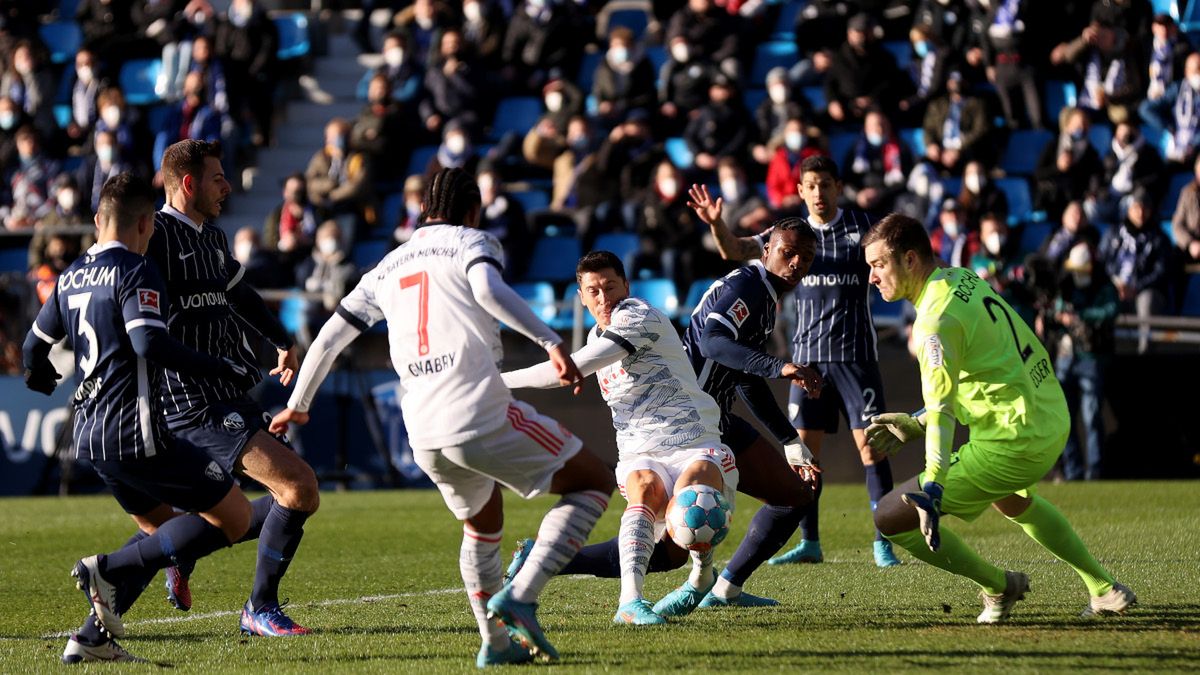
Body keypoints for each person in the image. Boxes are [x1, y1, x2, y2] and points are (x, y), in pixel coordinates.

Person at [269, 167, 614, 666]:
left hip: (423, 429)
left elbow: (327, 337)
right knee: (593, 482)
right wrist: (551, 340)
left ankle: (495, 644)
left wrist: (299, 405)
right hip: (476, 408)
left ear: (421, 210)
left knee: (483, 523)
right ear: (472, 210)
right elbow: (490, 293)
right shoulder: (471, 241)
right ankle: (522, 595)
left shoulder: (385, 266)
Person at [504, 211, 825, 614]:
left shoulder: (758, 295)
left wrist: (789, 440)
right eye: (788, 252)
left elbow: (742, 372)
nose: (796, 263)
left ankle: (718, 587)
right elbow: (712, 342)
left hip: (707, 417)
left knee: (791, 496)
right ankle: (699, 583)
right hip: (695, 421)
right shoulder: (749, 288)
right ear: (767, 250)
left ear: (626, 285)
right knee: (675, 544)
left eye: (806, 257)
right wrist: (778, 367)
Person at [22, 173, 259, 663]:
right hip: (136, 429)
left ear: (96, 221)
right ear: (147, 223)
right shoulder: (135, 269)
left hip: (89, 435)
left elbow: (33, 352)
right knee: (234, 518)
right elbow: (148, 341)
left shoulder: (71, 276)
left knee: (161, 533)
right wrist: (223, 368)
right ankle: (106, 567)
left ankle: (91, 638)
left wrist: (42, 382)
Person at [862, 212, 1136, 623]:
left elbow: (941, 410)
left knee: (888, 516)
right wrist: (915, 424)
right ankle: (1104, 588)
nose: (872, 277)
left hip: (1014, 440)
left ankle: (997, 585)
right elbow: (987, 371)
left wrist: (933, 484)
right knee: (1011, 500)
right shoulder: (963, 279)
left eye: (878, 264)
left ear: (911, 260)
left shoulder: (934, 323)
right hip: (1047, 413)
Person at [503, 251, 744, 625]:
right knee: (645, 489)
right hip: (638, 448)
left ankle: (702, 573)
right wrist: (583, 369)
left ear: (626, 286)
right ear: (581, 297)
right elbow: (587, 362)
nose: (604, 298)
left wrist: (496, 382)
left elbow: (571, 368)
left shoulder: (638, 315)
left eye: (610, 286)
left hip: (692, 438)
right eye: (594, 291)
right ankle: (630, 603)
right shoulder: (595, 333)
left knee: (694, 492)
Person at [146, 139, 319, 635]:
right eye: (218, 177)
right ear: (188, 183)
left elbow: (239, 294)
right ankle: (258, 607)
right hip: (187, 399)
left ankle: (176, 542)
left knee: (246, 509)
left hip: (226, 391)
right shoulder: (154, 236)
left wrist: (281, 341)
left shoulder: (212, 238)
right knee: (298, 487)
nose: (226, 186)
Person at [703, 155, 901, 568]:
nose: (818, 193)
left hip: (855, 356)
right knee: (803, 454)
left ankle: (884, 541)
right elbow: (735, 249)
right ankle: (810, 542)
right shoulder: (788, 236)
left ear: (837, 187)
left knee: (872, 450)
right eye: (810, 185)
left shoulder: (862, 228)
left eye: (825, 184)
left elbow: (894, 260)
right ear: (799, 191)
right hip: (808, 359)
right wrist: (716, 223)